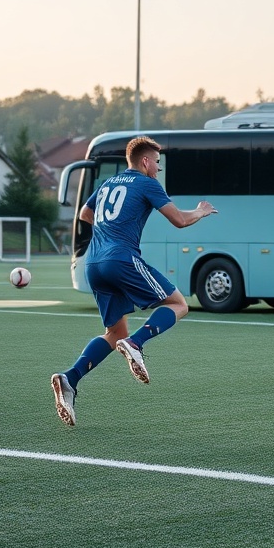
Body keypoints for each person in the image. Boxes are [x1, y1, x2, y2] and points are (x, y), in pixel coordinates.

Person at [50, 136, 217, 426]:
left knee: (114, 333)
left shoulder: (108, 183)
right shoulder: (147, 183)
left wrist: (110, 228)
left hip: (94, 263)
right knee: (178, 304)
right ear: (145, 161)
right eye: (157, 163)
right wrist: (201, 212)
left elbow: (85, 214)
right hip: (120, 259)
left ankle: (70, 379)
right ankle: (136, 343)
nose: (159, 169)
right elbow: (179, 220)